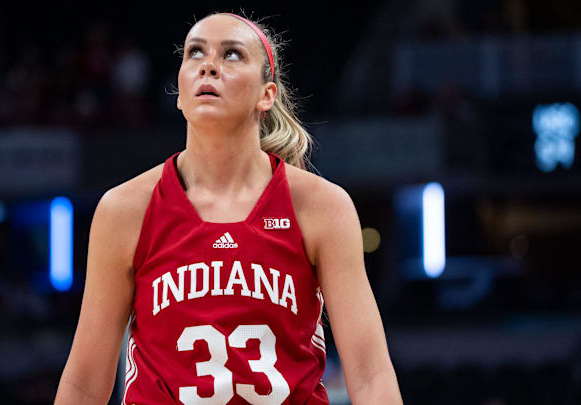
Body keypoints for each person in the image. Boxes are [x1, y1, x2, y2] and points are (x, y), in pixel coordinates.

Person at [55, 12, 403, 405]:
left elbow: (371, 374)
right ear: (181, 92)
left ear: (266, 95)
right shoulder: (125, 209)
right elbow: (84, 383)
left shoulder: (322, 206)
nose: (208, 65)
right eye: (194, 53)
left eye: (232, 55)